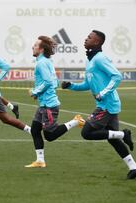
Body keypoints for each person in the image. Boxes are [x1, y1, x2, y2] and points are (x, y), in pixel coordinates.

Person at [62, 30, 136, 179]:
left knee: (86, 133)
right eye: (86, 36)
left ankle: (124, 134)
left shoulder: (100, 58)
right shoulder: (90, 60)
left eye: (89, 37)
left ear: (97, 42)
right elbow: (88, 84)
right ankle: (134, 167)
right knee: (113, 139)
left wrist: (103, 93)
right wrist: (71, 86)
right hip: (108, 105)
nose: (86, 39)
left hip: (106, 105)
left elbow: (117, 76)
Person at [24, 36, 85, 168]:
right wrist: (39, 93)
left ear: (40, 49)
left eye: (35, 45)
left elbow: (47, 82)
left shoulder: (41, 63)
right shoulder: (47, 61)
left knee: (49, 136)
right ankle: (40, 160)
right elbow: (55, 82)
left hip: (49, 106)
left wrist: (35, 92)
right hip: (44, 104)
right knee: (35, 130)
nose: (32, 47)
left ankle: (76, 121)